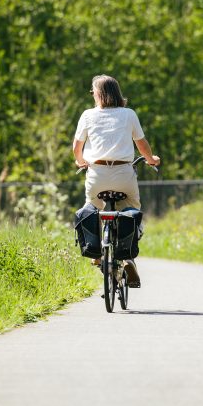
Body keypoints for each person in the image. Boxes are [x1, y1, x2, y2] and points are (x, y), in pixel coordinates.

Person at [73, 74, 160, 287]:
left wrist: (81, 161)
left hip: (97, 174)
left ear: (99, 94)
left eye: (93, 91)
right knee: (131, 209)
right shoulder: (129, 114)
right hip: (123, 174)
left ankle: (98, 252)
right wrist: (151, 159)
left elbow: (77, 147)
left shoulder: (87, 115)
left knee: (92, 207)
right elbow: (142, 144)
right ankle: (128, 258)